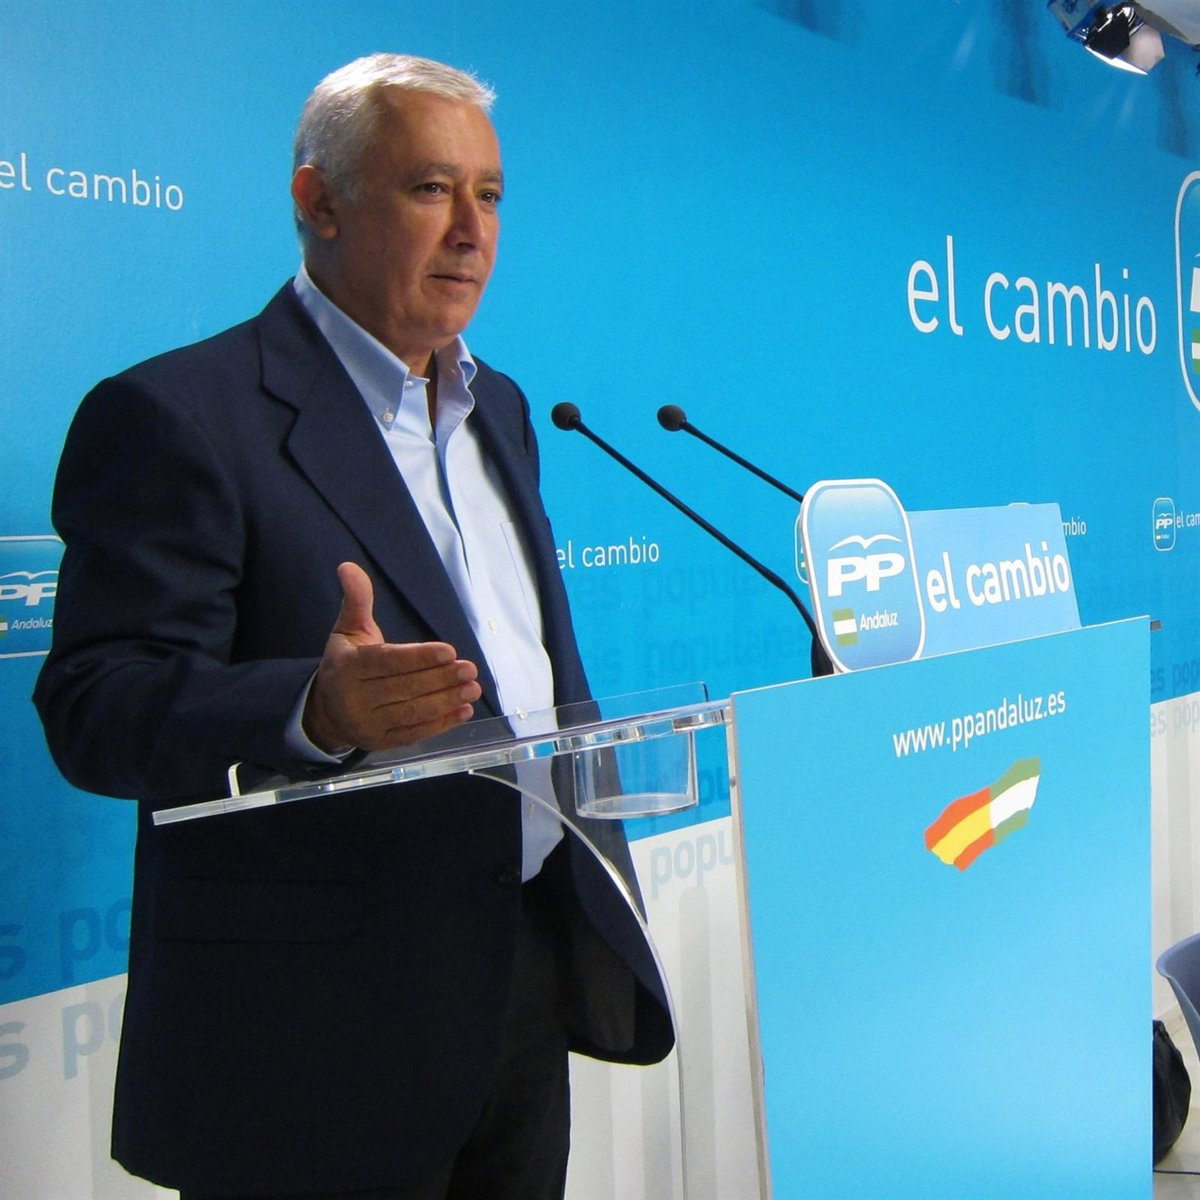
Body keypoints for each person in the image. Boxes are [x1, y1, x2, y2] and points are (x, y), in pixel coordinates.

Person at [33, 53, 673, 1200]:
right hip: (310, 1035)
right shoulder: (179, 415)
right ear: (317, 201)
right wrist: (311, 710)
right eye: (431, 188)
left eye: (490, 195)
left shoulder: (501, 408)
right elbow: (94, 707)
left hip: (518, 972)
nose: (472, 231)